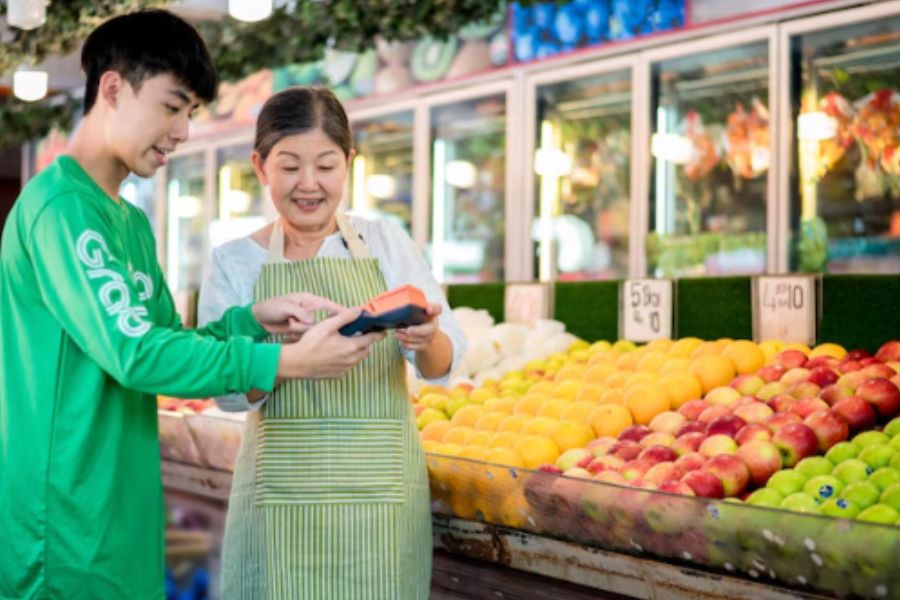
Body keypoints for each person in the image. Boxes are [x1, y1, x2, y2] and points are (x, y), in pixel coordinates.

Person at [0, 12, 382, 600]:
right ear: (113, 89)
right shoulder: (61, 209)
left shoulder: (126, 218)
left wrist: (247, 321)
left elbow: (164, 337)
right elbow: (135, 353)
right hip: (64, 527)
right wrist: (285, 364)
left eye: (191, 114)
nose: (181, 131)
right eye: (171, 106)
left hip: (119, 515)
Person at [197, 86, 466, 599]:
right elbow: (227, 394)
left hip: (382, 508)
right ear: (260, 166)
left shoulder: (385, 242)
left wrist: (426, 336)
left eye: (325, 165)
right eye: (289, 165)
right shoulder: (234, 262)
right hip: (280, 507)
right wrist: (287, 358)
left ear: (349, 162)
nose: (308, 184)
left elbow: (440, 361)